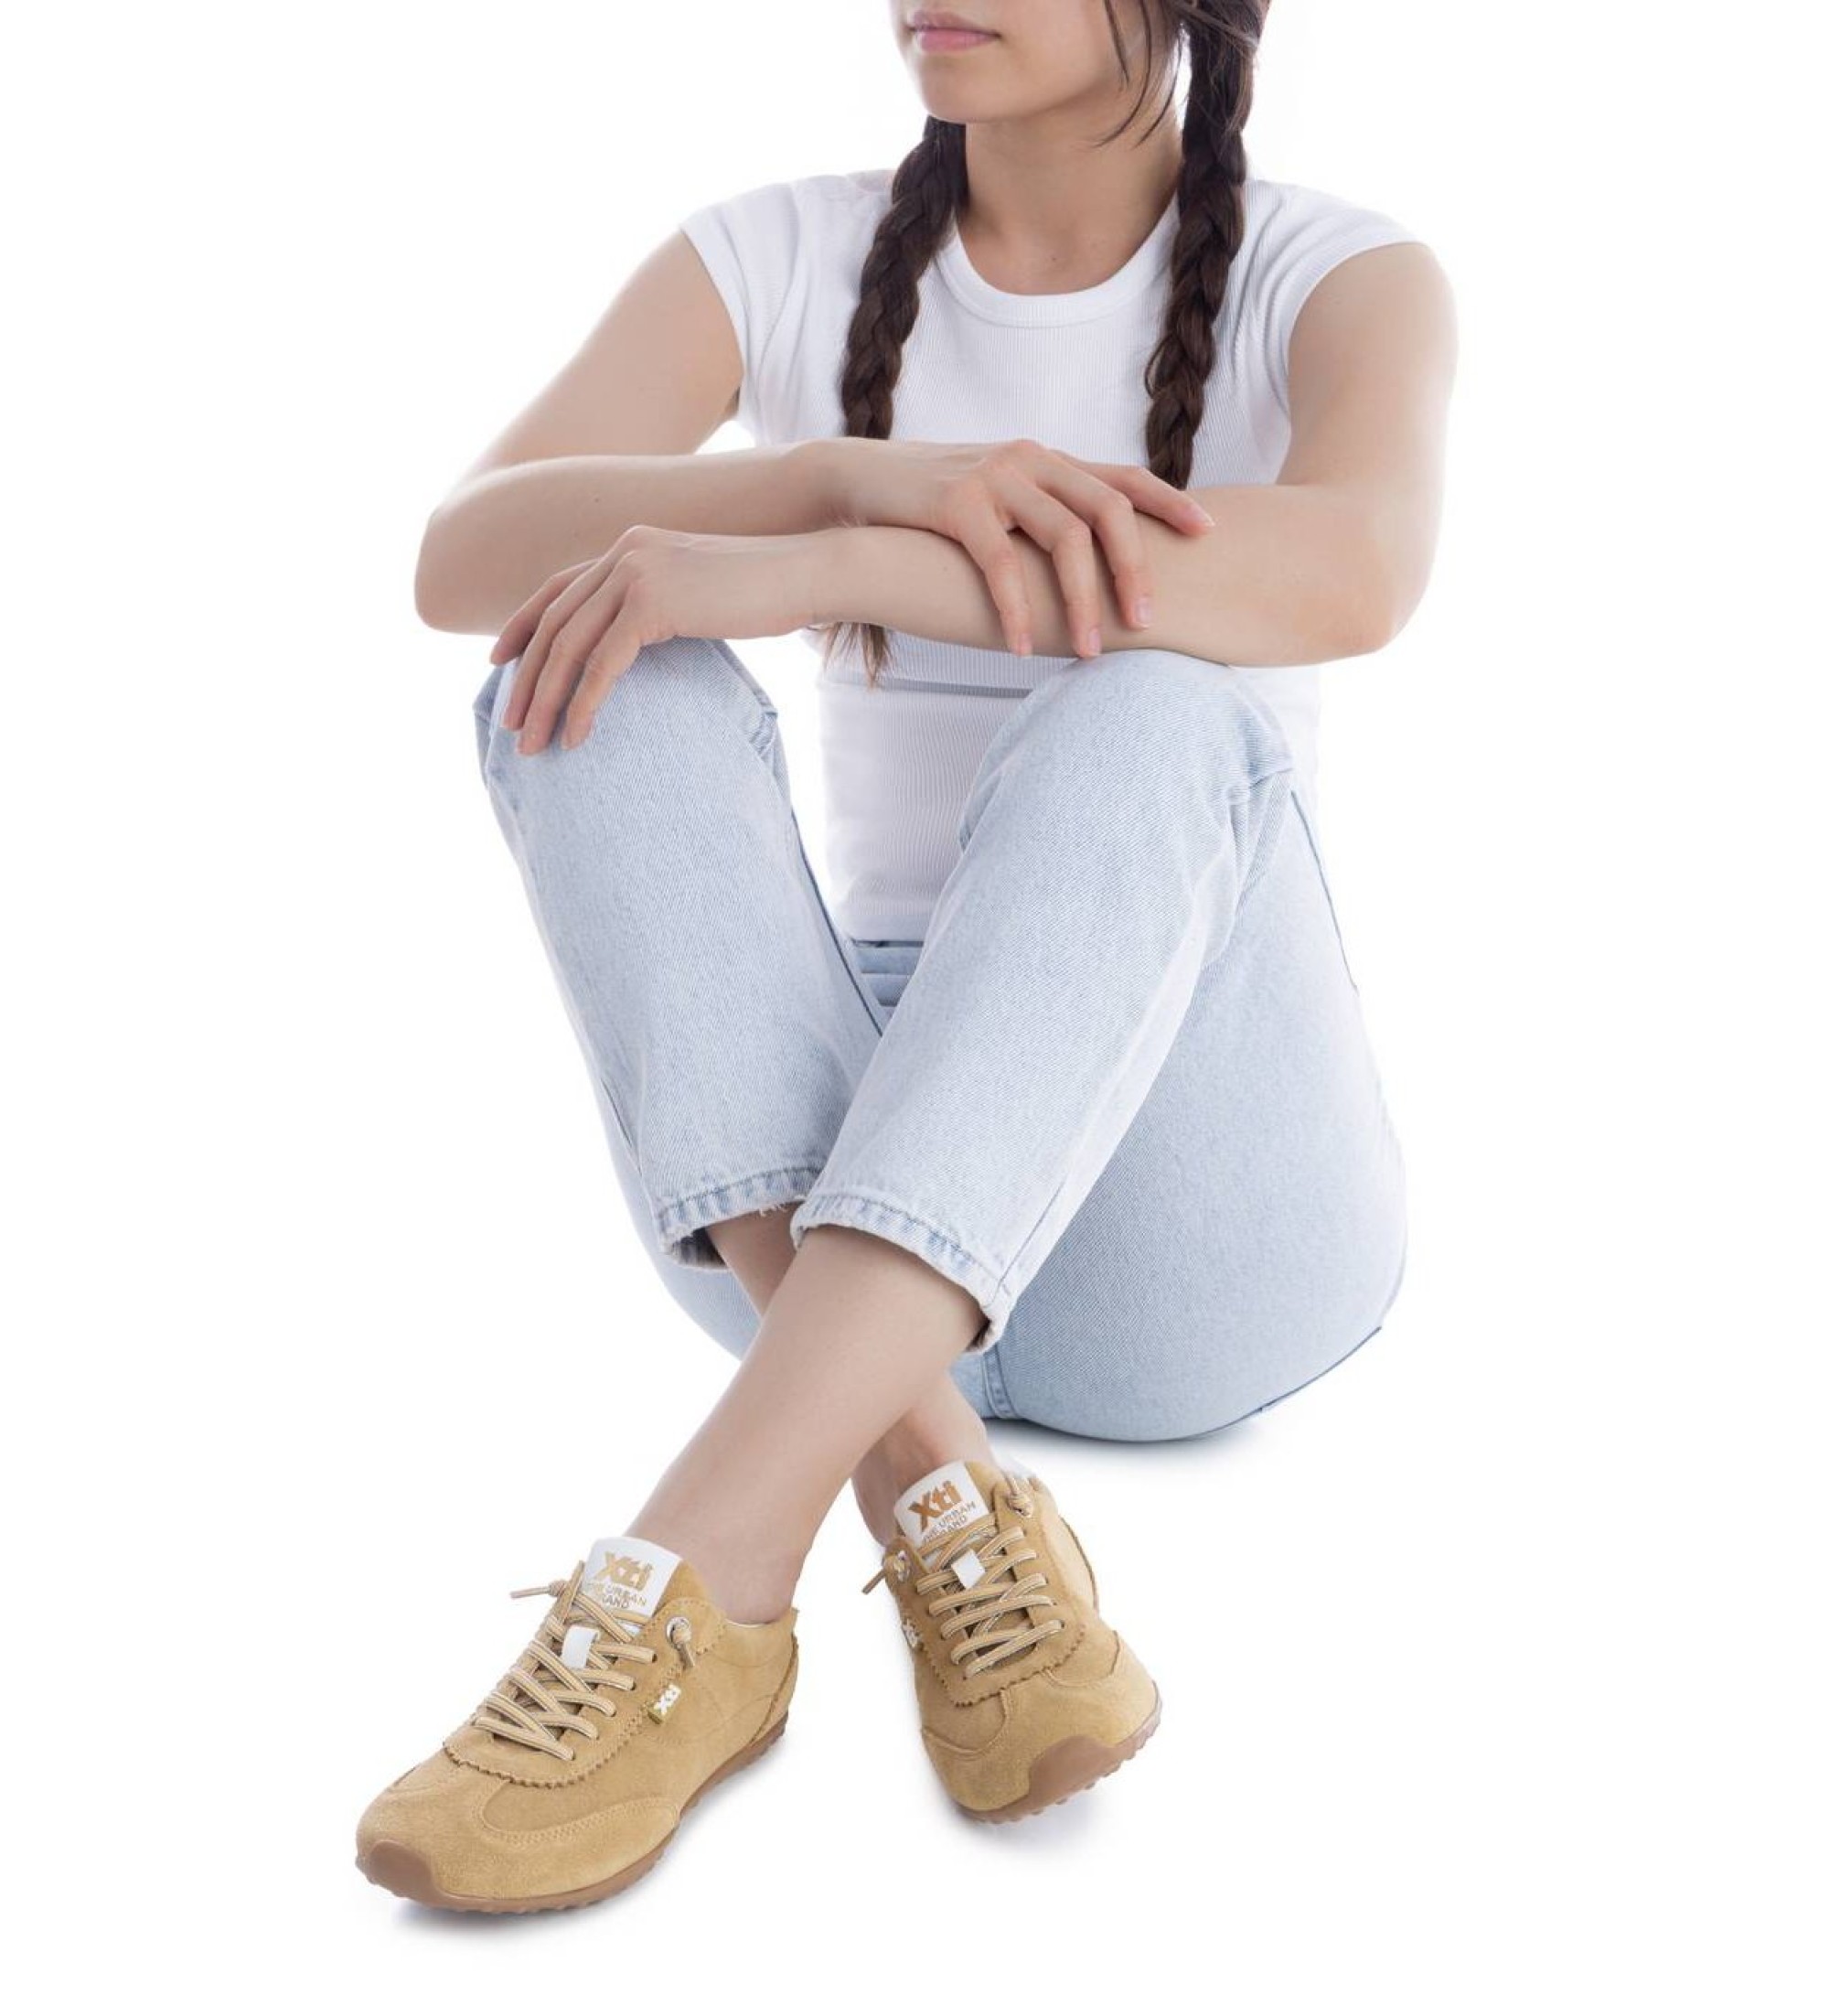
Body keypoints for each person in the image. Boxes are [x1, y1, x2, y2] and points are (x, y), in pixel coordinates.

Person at [356, 0, 1456, 1912]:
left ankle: (702, 1574)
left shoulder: (1338, 274)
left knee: (1162, 709)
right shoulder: (773, 251)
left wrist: (834, 571)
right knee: (590, 666)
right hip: (809, 1212)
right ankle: (946, 1503)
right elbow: (465, 558)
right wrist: (840, 478)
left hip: (1204, 1225)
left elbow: (1353, 571)